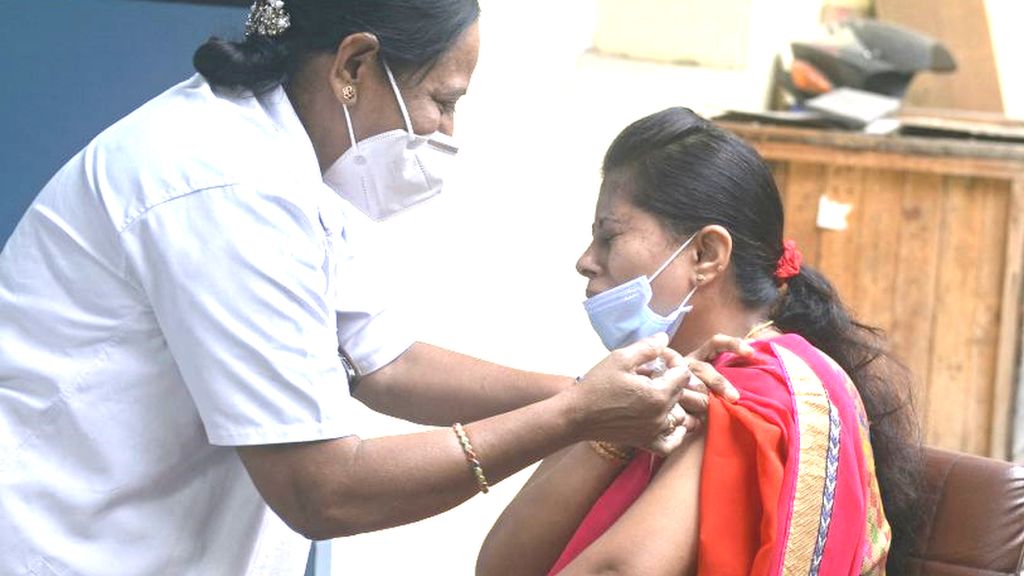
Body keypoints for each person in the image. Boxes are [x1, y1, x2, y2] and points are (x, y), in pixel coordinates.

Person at [0, 3, 745, 575]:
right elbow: (322, 490)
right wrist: (578, 416)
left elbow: (386, 363)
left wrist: (589, 391)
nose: (446, 131)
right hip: (69, 545)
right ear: (355, 63)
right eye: (442, 101)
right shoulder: (222, 186)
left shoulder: (298, 167)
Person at [477, 108, 924, 576]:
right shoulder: (662, 387)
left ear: (706, 255)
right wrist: (608, 430)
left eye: (609, 237)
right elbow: (500, 567)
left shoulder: (747, 393)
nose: (586, 261)